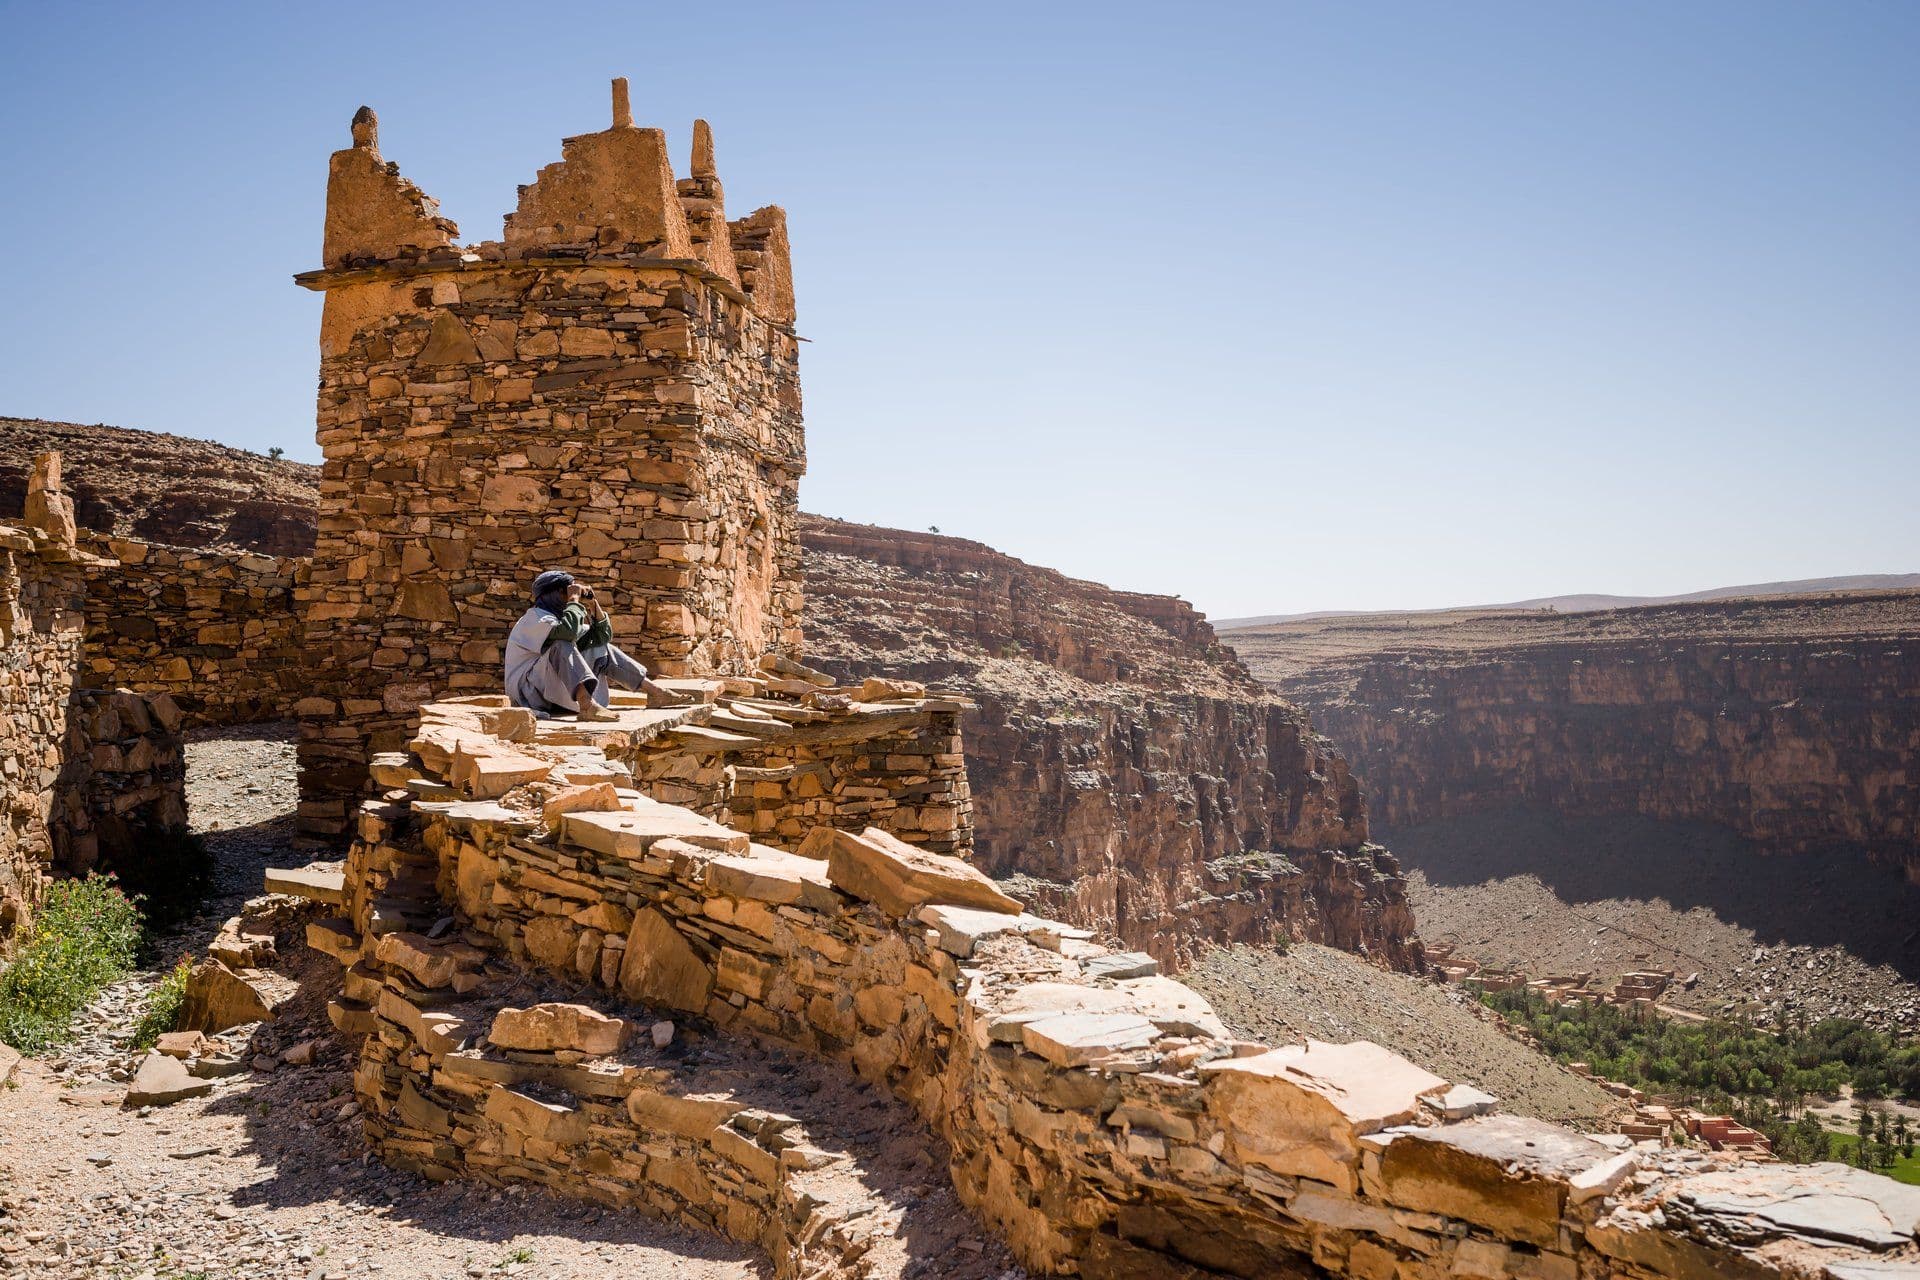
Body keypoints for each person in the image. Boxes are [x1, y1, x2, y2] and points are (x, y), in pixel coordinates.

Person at [503, 570, 687, 720]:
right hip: (528, 693)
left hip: (550, 689)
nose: (567, 597)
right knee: (561, 645)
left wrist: (592, 603)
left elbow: (602, 637)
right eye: (563, 592)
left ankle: (655, 692)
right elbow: (568, 634)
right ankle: (586, 705)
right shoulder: (534, 618)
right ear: (551, 594)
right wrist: (574, 600)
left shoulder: (560, 619)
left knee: (600, 648)